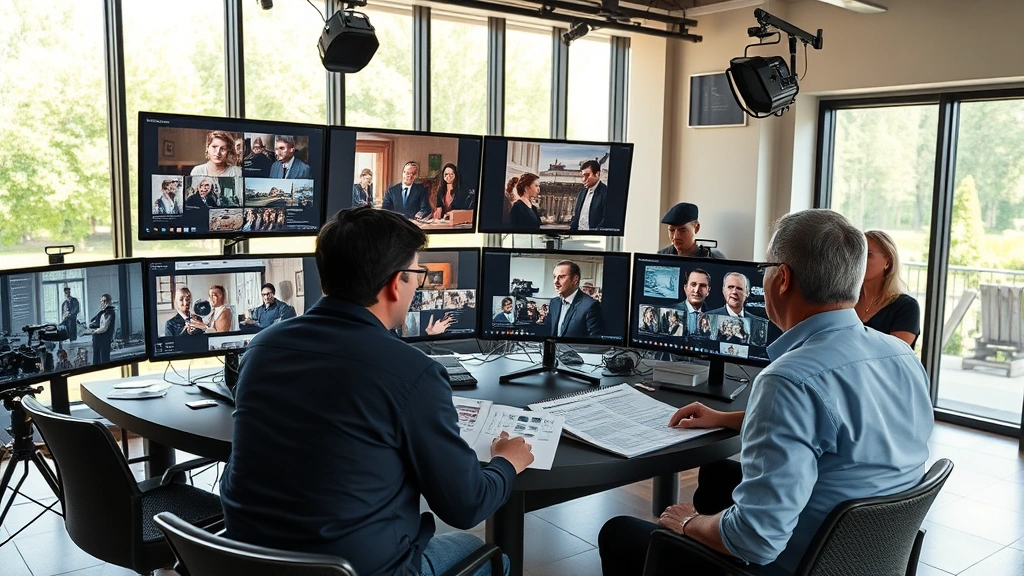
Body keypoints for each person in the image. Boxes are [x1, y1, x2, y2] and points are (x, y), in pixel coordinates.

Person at [598, 209, 934, 576]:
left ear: (783, 278)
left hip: (792, 565)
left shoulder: (789, 379)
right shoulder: (901, 355)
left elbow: (755, 541)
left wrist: (688, 523)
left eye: (765, 268)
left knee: (619, 532)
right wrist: (725, 418)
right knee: (717, 477)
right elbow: (838, 426)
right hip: (865, 557)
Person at [219, 206, 534, 576]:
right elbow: (466, 506)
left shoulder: (261, 347)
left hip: (246, 562)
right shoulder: (414, 373)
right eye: (418, 273)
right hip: (356, 570)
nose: (418, 284)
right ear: (395, 282)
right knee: (488, 555)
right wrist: (506, 462)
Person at [857, 230, 921, 348]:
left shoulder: (906, 306)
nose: (858, 259)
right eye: (856, 253)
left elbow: (893, 353)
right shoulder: (844, 301)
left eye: (868, 254)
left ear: (888, 262)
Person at [543, 261, 604, 338]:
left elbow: (595, 342)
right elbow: (546, 332)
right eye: (554, 277)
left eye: (561, 277)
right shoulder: (554, 303)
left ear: (575, 279)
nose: (556, 282)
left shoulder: (590, 306)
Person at [658, 202, 726, 258]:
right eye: (671, 230)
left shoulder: (714, 258)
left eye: (682, 230)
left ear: (696, 228)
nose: (676, 237)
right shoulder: (661, 257)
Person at [569, 160, 607, 231]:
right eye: (583, 176)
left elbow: (606, 221)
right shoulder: (582, 194)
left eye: (587, 175)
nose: (583, 179)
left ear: (597, 174)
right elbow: (576, 217)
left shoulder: (606, 193)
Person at [84, 294, 116, 365]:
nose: (103, 303)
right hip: (97, 339)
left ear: (109, 301)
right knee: (96, 359)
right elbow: (93, 321)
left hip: (104, 339)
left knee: (104, 360)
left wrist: (93, 331)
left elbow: (104, 328)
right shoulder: (102, 312)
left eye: (105, 301)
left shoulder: (109, 312)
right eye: (102, 301)